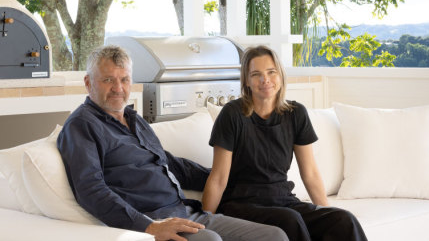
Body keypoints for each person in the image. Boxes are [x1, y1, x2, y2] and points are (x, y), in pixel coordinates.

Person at [57, 45, 288, 241]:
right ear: (88, 82)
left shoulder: (134, 119)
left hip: (187, 212)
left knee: (275, 236)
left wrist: (232, 177)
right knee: (210, 240)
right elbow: (90, 190)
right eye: (108, 80)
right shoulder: (81, 125)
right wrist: (149, 226)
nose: (118, 88)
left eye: (124, 79)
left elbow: (172, 165)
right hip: (153, 221)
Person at [202, 45, 368, 241]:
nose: (265, 80)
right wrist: (205, 221)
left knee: (343, 219)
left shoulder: (296, 113)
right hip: (241, 204)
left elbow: (311, 173)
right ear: (246, 81)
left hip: (283, 200)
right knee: (290, 220)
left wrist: (324, 212)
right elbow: (219, 178)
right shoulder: (232, 114)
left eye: (271, 72)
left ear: (280, 75)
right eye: (256, 74)